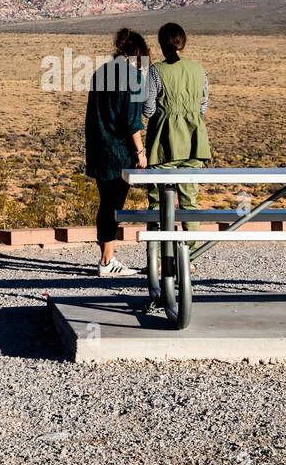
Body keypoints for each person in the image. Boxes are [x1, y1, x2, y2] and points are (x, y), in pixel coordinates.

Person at [84, 28, 150, 277]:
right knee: (114, 205)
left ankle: (106, 257)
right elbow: (132, 122)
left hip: (98, 146)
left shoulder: (100, 72)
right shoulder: (131, 76)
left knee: (106, 203)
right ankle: (106, 261)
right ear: (136, 53)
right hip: (119, 151)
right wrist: (141, 151)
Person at [143, 22, 210, 241]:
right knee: (189, 200)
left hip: (164, 143)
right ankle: (189, 257)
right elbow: (202, 106)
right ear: (184, 43)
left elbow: (149, 109)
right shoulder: (199, 69)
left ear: (161, 45)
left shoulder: (156, 71)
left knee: (158, 202)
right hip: (193, 141)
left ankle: (161, 259)